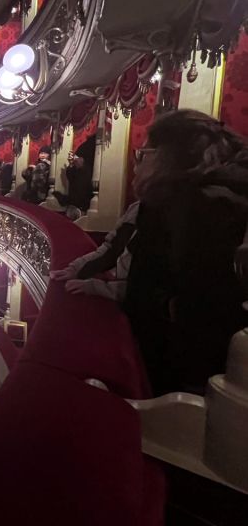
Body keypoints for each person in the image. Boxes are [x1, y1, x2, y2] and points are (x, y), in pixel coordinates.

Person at [54, 110, 248, 396]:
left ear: (165, 157)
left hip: (179, 365)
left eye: (142, 154)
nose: (137, 164)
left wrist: (101, 289)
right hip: (216, 362)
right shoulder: (223, 195)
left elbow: (150, 291)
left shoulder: (178, 206)